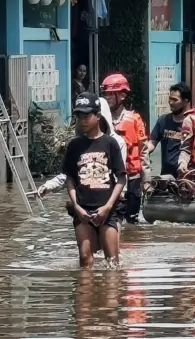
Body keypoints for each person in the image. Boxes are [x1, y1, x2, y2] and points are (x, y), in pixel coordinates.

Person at [61, 91, 126, 268]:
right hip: (82, 210)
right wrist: (76, 206)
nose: (82, 120)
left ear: (98, 116)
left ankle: (110, 293)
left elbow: (121, 178)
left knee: (112, 261)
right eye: (79, 116)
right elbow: (70, 179)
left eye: (86, 115)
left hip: (107, 209)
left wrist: (108, 207)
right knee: (85, 258)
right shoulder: (74, 146)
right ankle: (87, 294)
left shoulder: (110, 143)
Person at [38, 98, 126, 195]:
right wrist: (49, 186)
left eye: (87, 117)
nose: (84, 121)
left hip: (110, 200)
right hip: (84, 202)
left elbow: (120, 177)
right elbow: (68, 175)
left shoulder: (115, 143)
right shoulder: (77, 145)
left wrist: (114, 200)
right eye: (81, 117)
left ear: (99, 117)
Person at [103, 73, 150, 223]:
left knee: (132, 221)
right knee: (111, 220)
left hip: (132, 178)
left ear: (122, 95)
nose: (108, 98)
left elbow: (143, 153)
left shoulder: (134, 119)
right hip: (109, 178)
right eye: (106, 95)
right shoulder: (101, 120)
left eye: (111, 94)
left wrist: (146, 181)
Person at [147, 82, 191, 179]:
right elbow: (152, 143)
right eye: (170, 98)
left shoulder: (192, 123)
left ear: (185, 101)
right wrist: (142, 152)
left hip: (186, 176)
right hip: (166, 177)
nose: (170, 102)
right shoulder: (163, 120)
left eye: (175, 100)